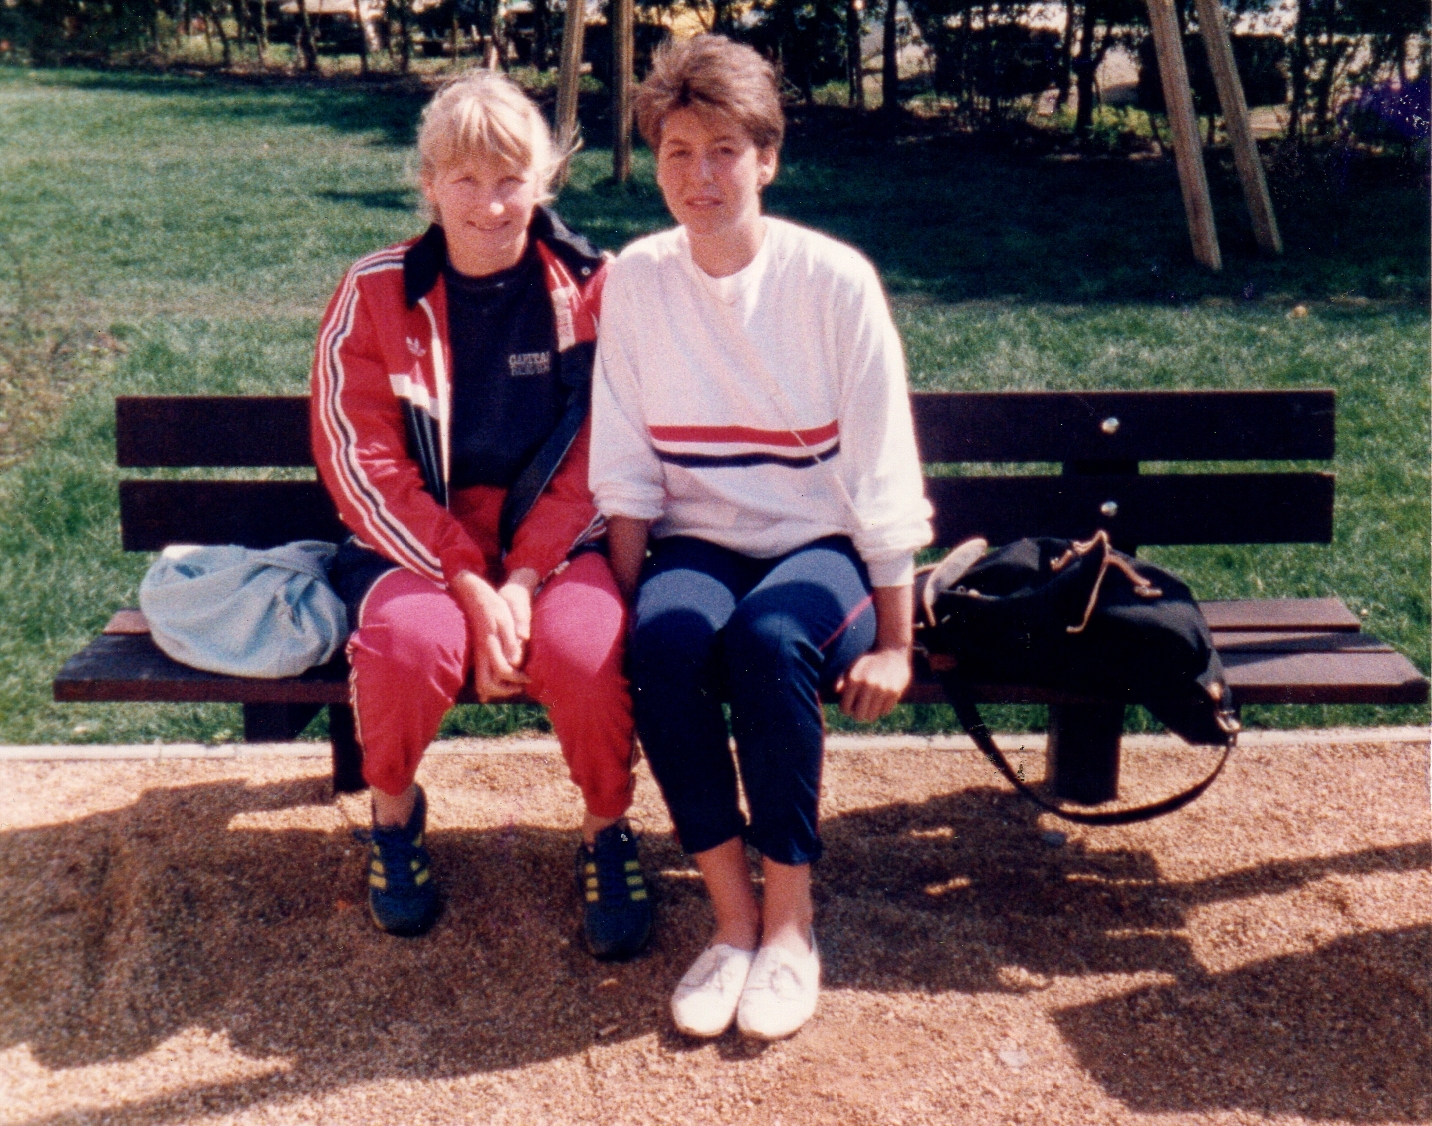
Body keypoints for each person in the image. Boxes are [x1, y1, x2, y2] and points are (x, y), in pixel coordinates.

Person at [589, 35, 933, 1039]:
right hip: (699, 541)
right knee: (666, 643)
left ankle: (790, 925)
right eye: (677, 152)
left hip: (817, 546)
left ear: (767, 159)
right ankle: (732, 922)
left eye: (724, 151)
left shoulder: (833, 281)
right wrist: (621, 609)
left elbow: (882, 471)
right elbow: (625, 466)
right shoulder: (639, 279)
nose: (699, 176)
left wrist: (897, 642)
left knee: (770, 641)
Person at [310, 70, 652, 959]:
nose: (491, 205)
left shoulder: (594, 288)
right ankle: (393, 820)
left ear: (547, 180)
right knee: (407, 646)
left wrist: (525, 578)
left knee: (586, 650)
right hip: (417, 546)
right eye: (465, 179)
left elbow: (605, 450)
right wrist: (466, 577)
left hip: (554, 543)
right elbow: (362, 461)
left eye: (511, 179)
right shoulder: (375, 290)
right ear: (428, 184)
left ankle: (606, 828)